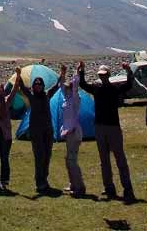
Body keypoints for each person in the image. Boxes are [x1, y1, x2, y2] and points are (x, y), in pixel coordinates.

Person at [79, 62, 136, 203]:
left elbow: (129, 85)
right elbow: (83, 84)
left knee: (120, 159)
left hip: (113, 127)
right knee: (104, 160)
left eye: (104, 75)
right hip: (99, 127)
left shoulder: (114, 89)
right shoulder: (96, 89)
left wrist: (129, 71)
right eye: (100, 75)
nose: (102, 77)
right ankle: (109, 188)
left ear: (108, 75)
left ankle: (127, 189)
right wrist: (81, 71)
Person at [18, 69, 61, 194]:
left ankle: (44, 179)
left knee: (47, 155)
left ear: (42, 86)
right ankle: (39, 181)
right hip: (36, 130)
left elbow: (56, 86)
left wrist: (62, 74)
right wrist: (19, 74)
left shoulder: (47, 95)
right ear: (33, 86)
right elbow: (22, 87)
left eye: (40, 84)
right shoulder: (31, 96)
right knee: (39, 156)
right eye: (36, 84)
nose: (38, 86)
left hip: (47, 129)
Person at [60, 64, 86, 198]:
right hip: (68, 133)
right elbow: (61, 85)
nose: (67, 89)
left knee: (72, 160)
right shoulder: (66, 98)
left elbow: (76, 83)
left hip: (74, 133)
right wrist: (62, 73)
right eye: (67, 88)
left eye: (69, 87)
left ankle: (80, 186)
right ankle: (73, 183)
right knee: (68, 159)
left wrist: (77, 70)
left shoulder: (75, 98)